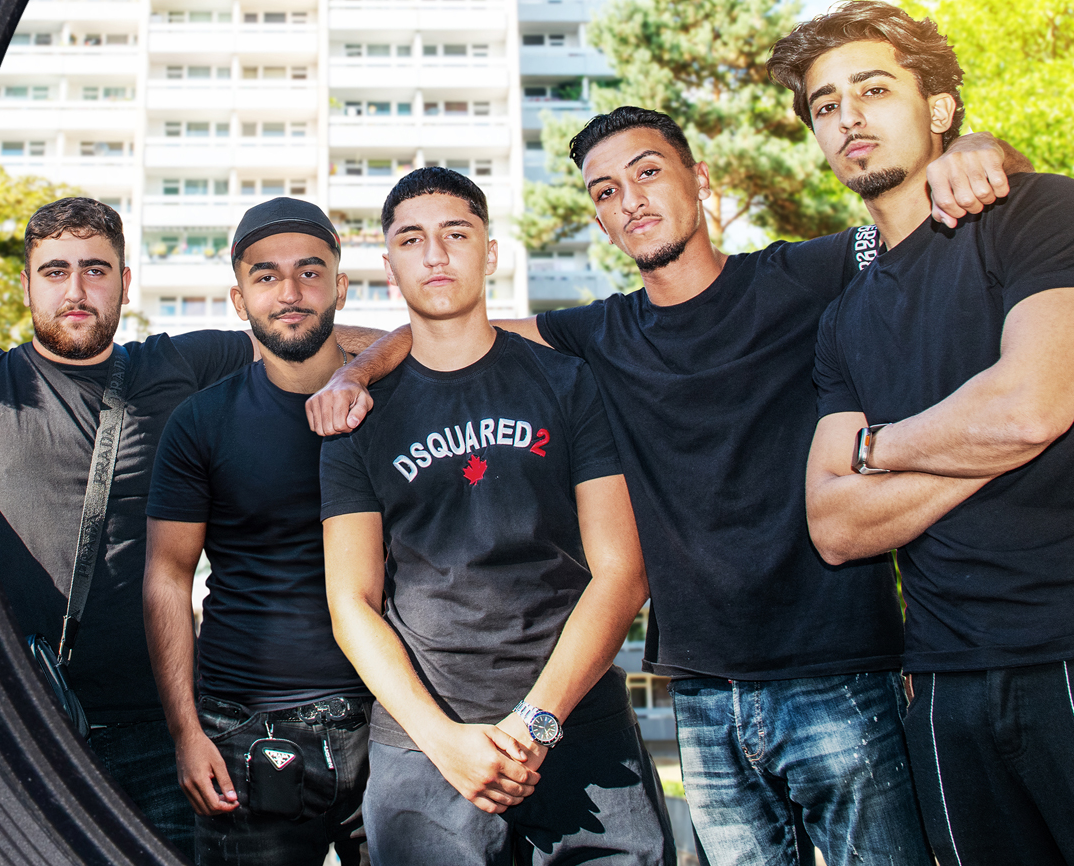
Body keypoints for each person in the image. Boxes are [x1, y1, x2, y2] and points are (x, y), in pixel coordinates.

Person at [307, 116, 1026, 866]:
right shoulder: (601, 335)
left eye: (649, 172)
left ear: (700, 178)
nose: (632, 200)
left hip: (837, 672)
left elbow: (921, 226)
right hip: (703, 693)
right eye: (607, 190)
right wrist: (353, 373)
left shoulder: (805, 276)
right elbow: (448, 327)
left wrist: (981, 150)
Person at [0, 196, 377, 858]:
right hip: (11, 723)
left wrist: (363, 373)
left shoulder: (180, 366)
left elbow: (316, 331)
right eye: (55, 270)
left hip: (160, 729)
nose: (76, 289)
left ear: (126, 282)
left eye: (96, 270)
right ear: (27, 284)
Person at [770, 0, 1074, 866]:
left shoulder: (1039, 215)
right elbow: (835, 525)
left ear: (940, 109)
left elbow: (1031, 407)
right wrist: (996, 433)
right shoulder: (845, 319)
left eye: (873, 89)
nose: (848, 117)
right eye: (825, 106)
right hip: (942, 685)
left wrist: (878, 448)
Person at [320, 167, 675, 866]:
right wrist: (443, 741)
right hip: (424, 745)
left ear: (490, 252)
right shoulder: (356, 415)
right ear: (389, 265)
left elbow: (623, 572)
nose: (436, 254)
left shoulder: (568, 383)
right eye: (411, 239)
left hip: (577, 725)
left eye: (457, 233)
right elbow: (350, 601)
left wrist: (536, 724)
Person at [144, 198, 371, 866]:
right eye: (266, 277)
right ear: (239, 298)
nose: (291, 292)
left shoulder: (392, 402)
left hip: (392, 724)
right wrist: (186, 731)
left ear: (341, 286)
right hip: (243, 732)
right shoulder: (201, 422)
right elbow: (167, 577)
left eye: (310, 272)